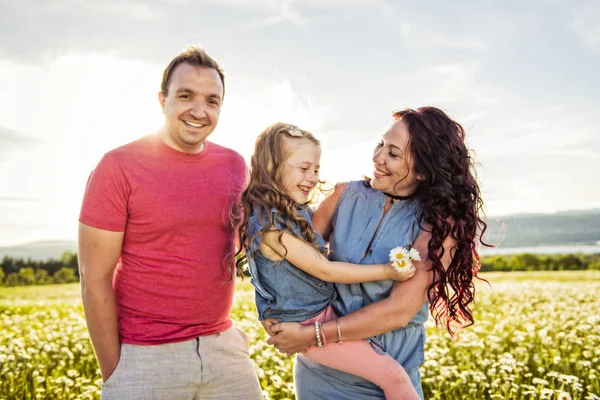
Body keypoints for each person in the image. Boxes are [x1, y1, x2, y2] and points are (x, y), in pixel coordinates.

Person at [264, 107, 488, 399]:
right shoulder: (342, 195)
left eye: (393, 153)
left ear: (423, 170)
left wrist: (311, 335)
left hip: (394, 380)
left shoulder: (439, 225)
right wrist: (276, 313)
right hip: (322, 376)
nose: (377, 158)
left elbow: (399, 311)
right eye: (380, 144)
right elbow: (293, 266)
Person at [78, 46, 263, 400]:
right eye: (185, 96)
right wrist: (115, 371)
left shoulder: (235, 165)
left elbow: (256, 244)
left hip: (223, 350)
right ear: (162, 100)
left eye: (212, 101)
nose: (199, 111)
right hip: (144, 357)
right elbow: (94, 277)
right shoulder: (118, 167)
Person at [236, 122, 421, 399]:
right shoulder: (272, 230)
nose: (312, 177)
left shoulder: (291, 214)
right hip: (305, 325)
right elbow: (325, 268)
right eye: (303, 168)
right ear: (272, 167)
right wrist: (387, 271)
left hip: (317, 318)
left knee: (393, 375)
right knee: (394, 377)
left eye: (316, 170)